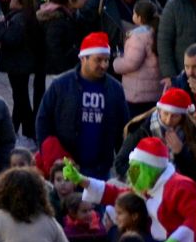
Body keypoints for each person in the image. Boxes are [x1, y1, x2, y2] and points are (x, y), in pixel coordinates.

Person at [37, 32, 131, 179]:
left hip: (100, 170)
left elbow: (124, 128)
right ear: (83, 58)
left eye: (107, 60)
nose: (104, 65)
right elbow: (43, 121)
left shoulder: (115, 89)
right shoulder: (61, 85)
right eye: (98, 60)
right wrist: (50, 154)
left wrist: (123, 165)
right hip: (66, 168)